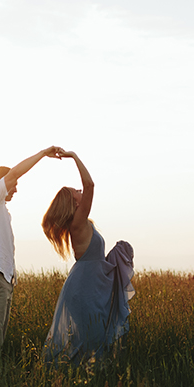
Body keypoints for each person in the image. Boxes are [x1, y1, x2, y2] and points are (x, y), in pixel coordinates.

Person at [0, 146, 62, 387]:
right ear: (3, 183)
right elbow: (15, 175)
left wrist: (11, 277)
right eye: (12, 184)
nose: (16, 188)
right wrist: (43, 154)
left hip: (0, 279)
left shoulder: (0, 212)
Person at [41, 150, 134, 369]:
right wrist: (73, 156)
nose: (81, 191)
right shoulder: (77, 223)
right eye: (77, 191)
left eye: (79, 189)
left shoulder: (82, 223)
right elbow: (90, 184)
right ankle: (79, 382)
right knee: (89, 340)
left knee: (92, 340)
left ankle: (89, 381)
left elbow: (96, 259)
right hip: (83, 289)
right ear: (73, 203)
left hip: (90, 286)